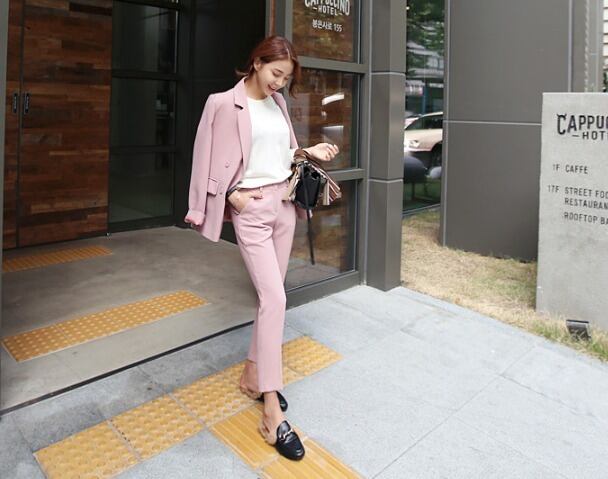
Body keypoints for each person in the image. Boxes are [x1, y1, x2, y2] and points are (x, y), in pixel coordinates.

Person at [184, 35, 339, 460]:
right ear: (256, 63)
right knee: (276, 298)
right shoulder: (222, 104)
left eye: (286, 78)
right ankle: (272, 410)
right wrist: (227, 196)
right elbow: (202, 156)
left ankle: (253, 378)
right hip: (251, 210)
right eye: (276, 73)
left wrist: (307, 150)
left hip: (283, 206)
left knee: (269, 300)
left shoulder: (278, 103)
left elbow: (281, 153)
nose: (279, 83)